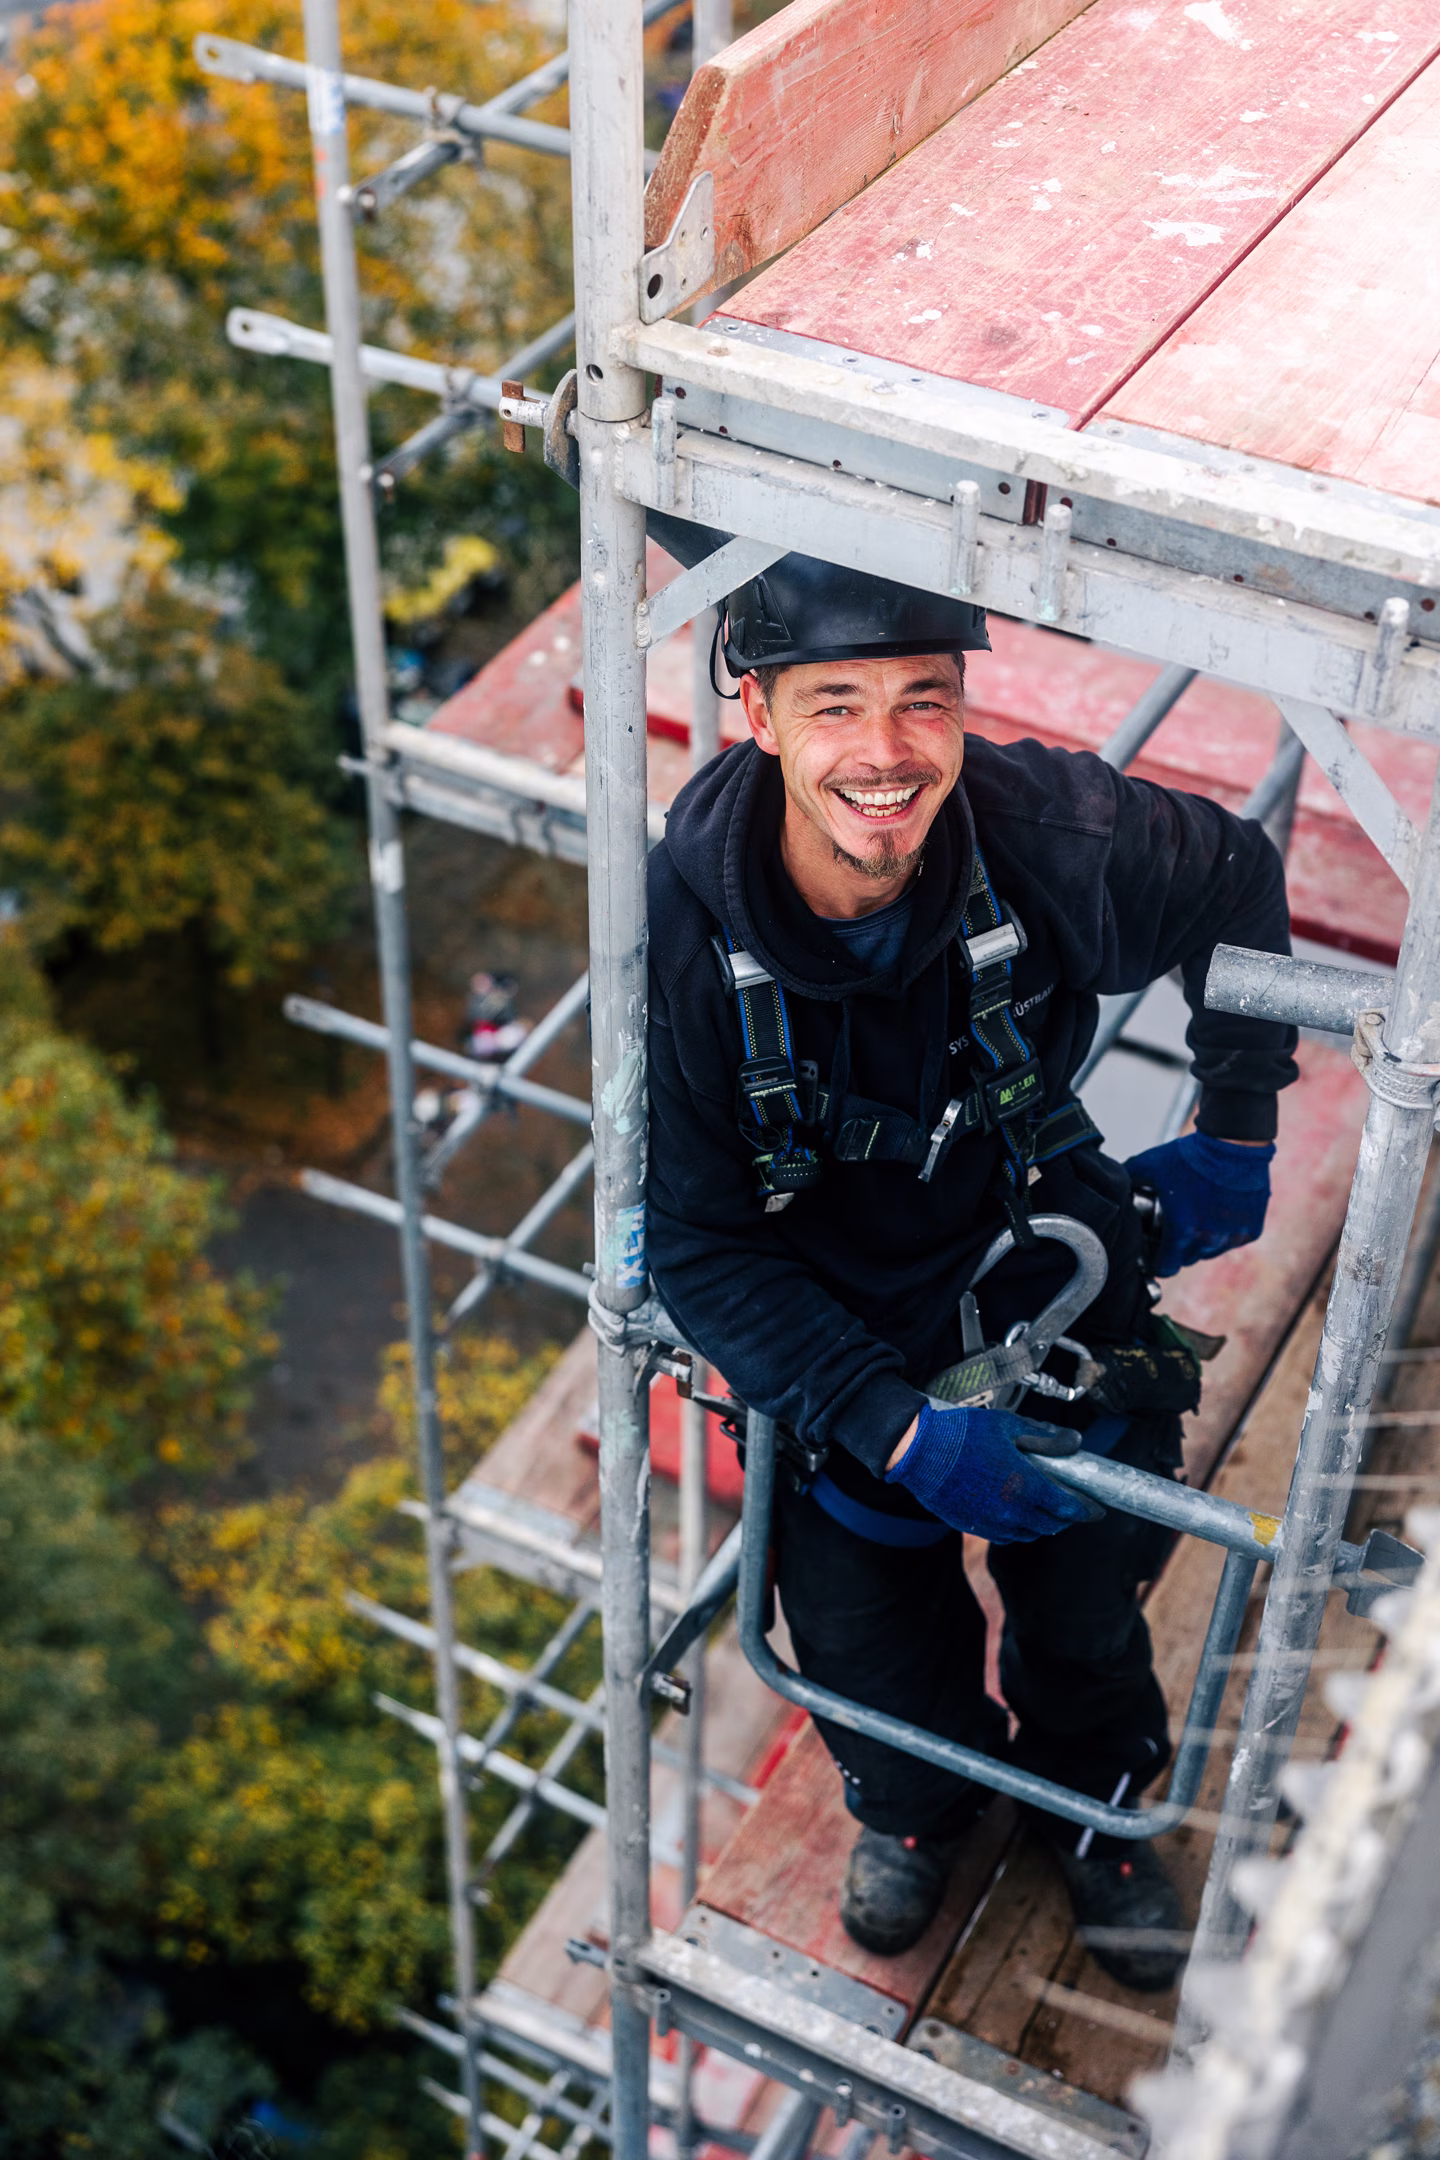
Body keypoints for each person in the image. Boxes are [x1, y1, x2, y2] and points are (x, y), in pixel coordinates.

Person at [643, 547, 1296, 1993]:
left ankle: (1096, 1809)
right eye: (835, 705)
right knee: (871, 1656)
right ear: (754, 711)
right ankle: (921, 1812)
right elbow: (694, 1240)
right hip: (839, 1335)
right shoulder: (680, 938)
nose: (885, 753)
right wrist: (890, 1425)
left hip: (1046, 1279)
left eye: (922, 701)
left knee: (1084, 1613)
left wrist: (1239, 1119)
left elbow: (1234, 876)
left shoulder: (1041, 834)